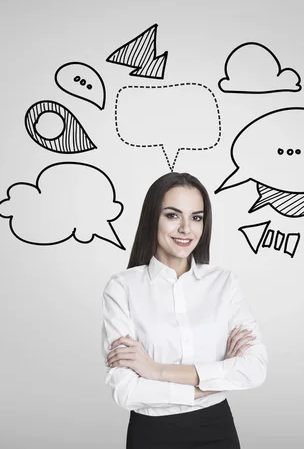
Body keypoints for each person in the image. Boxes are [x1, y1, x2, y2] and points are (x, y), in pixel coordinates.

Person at [101, 172, 268, 448]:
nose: (186, 229)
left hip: (217, 429)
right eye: (172, 215)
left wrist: (156, 370)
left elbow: (254, 369)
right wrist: (216, 378)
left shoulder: (225, 284)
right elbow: (126, 391)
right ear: (152, 218)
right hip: (151, 434)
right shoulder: (122, 287)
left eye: (196, 217)